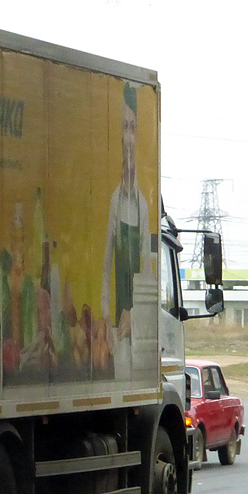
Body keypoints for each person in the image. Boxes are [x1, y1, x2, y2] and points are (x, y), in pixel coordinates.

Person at [101, 84, 151, 342]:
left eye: (133, 127)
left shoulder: (143, 206)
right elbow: (106, 266)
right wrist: (106, 315)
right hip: (115, 329)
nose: (129, 138)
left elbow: (147, 273)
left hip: (136, 329)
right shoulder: (114, 202)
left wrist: (134, 313)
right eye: (124, 127)